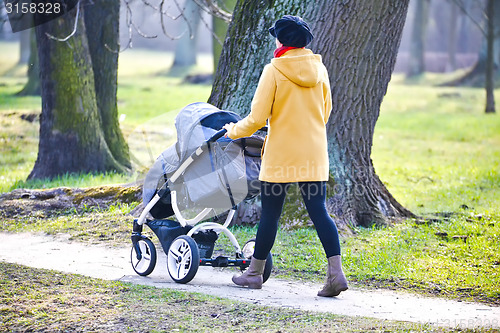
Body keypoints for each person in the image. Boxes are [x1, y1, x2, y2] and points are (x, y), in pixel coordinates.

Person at [223, 15, 348, 297]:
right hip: (314, 155)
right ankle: (336, 274)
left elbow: (256, 118)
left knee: (270, 214)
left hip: (281, 157)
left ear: (282, 41)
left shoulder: (274, 70)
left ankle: (254, 273)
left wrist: (232, 131)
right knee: (319, 212)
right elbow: (325, 112)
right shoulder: (320, 69)